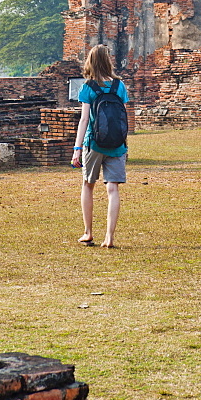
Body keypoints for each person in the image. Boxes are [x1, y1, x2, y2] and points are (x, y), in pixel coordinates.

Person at [71, 44, 129, 248]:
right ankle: (110, 237)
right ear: (108, 61)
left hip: (94, 144)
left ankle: (88, 232)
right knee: (112, 189)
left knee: (88, 185)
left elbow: (84, 120)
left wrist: (77, 149)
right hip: (117, 144)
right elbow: (123, 117)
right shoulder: (119, 86)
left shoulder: (88, 87)